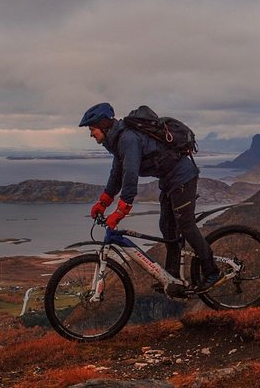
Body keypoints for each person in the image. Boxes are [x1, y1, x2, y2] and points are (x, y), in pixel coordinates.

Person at [79, 102, 221, 292]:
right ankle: (173, 277)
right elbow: (117, 174)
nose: (91, 134)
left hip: (182, 178)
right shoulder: (117, 141)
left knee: (185, 225)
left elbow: (130, 174)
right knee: (167, 226)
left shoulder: (128, 140)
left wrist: (122, 209)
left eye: (92, 129)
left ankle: (212, 271)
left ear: (104, 125)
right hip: (170, 181)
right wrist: (103, 201)